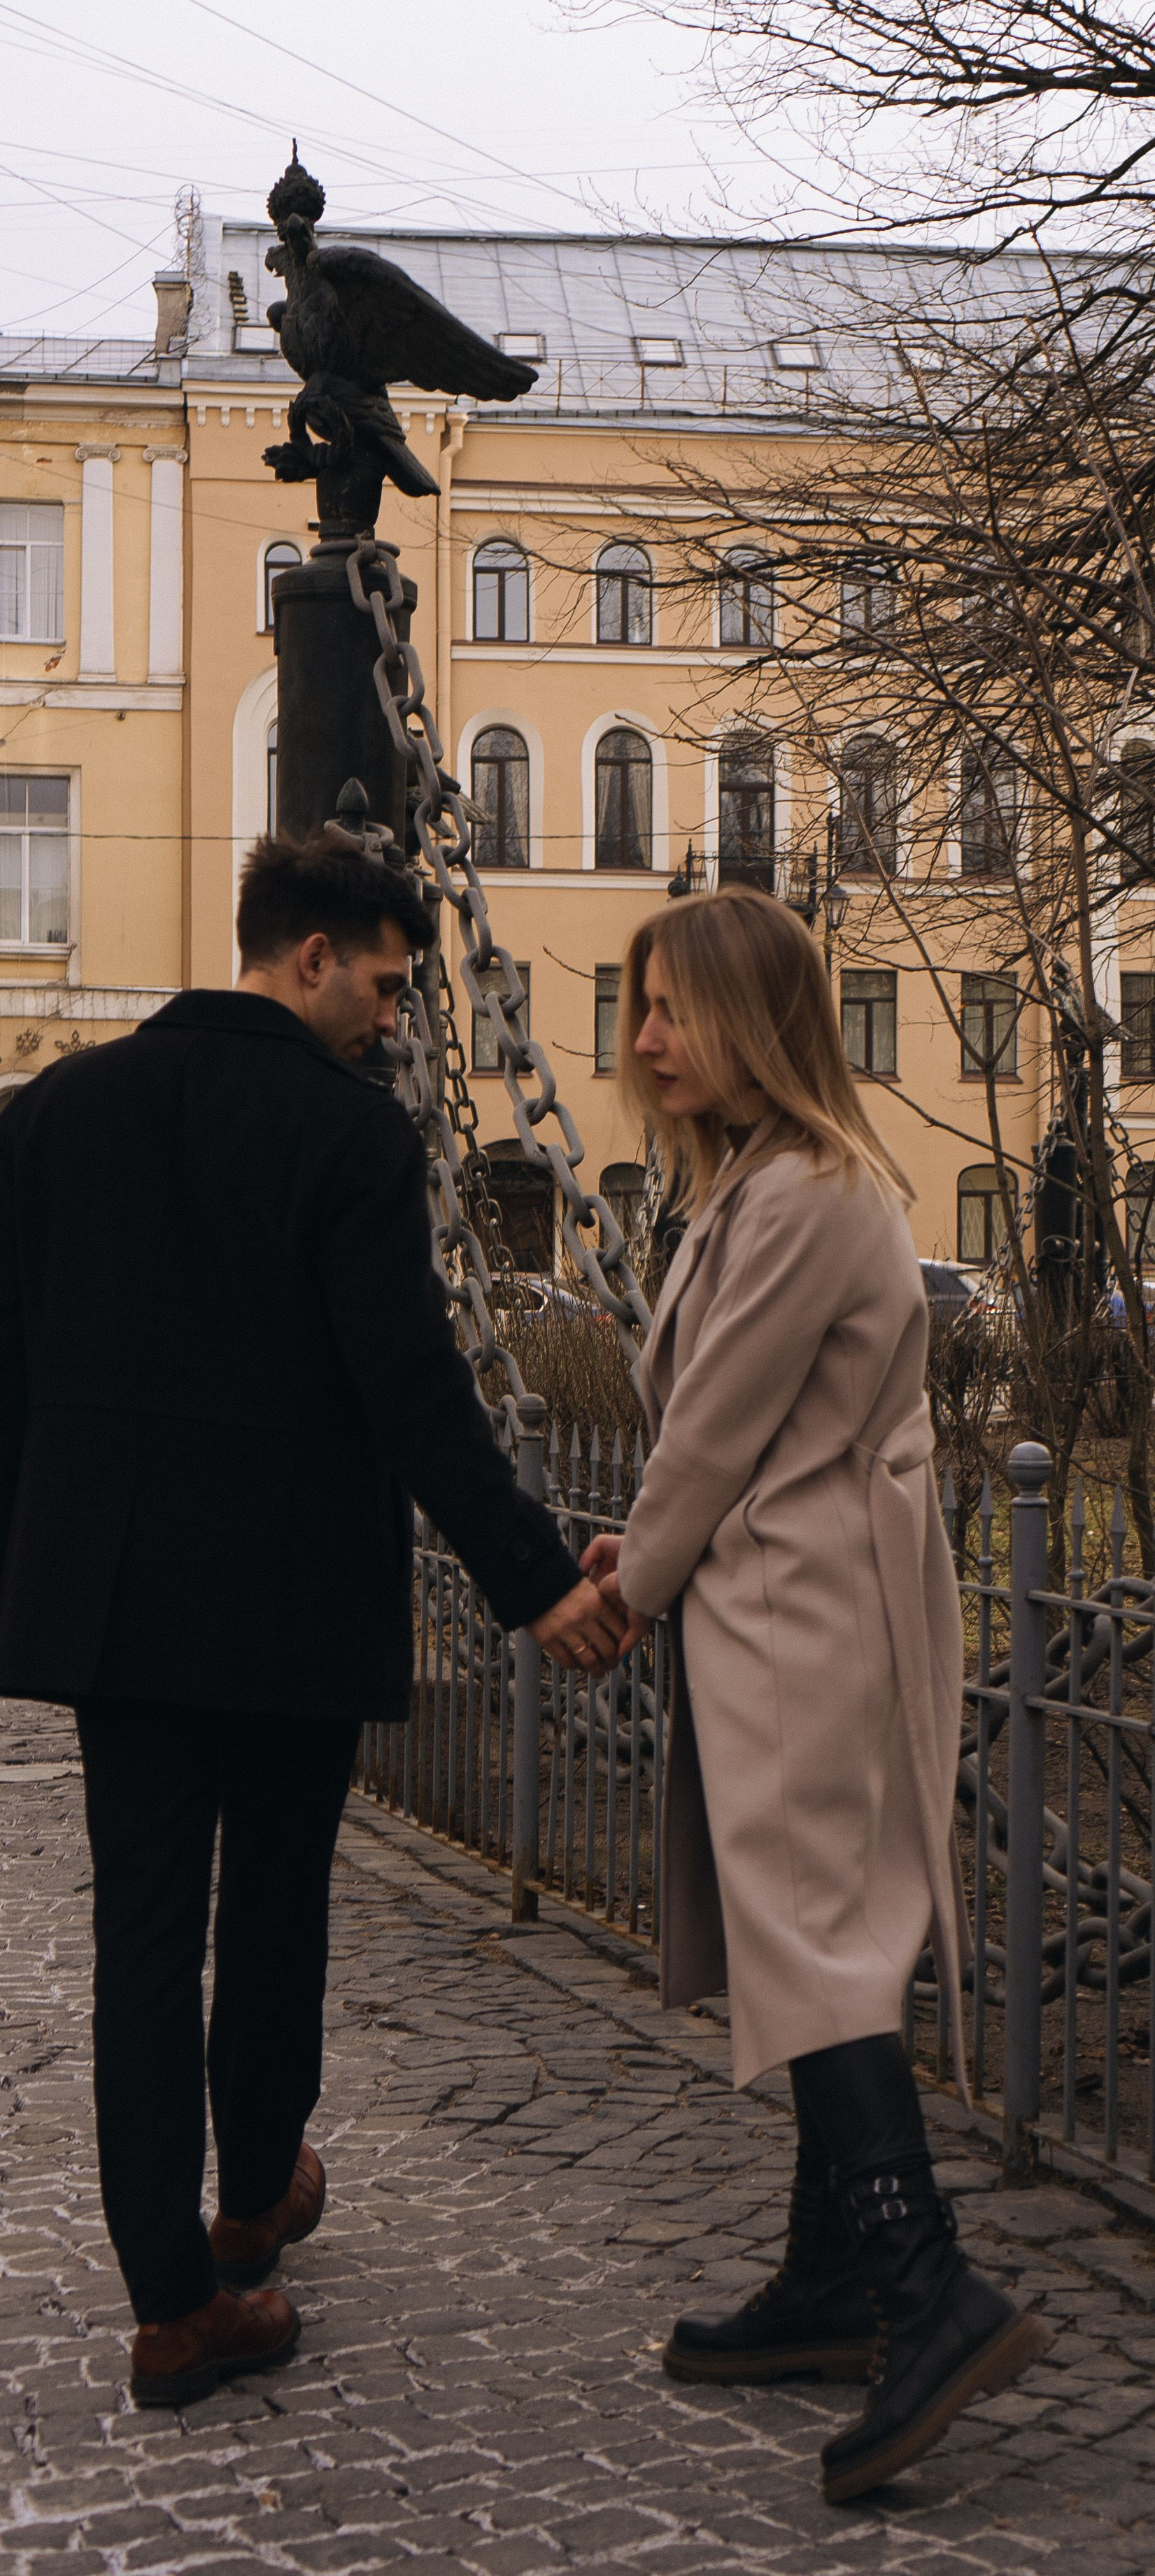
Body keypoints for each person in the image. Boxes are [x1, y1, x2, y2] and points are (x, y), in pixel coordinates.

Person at [0, 835, 618, 2409]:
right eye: (390, 987)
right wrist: (535, 1579)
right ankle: (249, 2208)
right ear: (313, 960)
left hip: (120, 1598)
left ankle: (167, 2304)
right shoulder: (345, 1141)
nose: (396, 1021)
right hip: (284, 1604)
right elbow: (412, 1393)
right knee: (272, 1913)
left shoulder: (57, 1112)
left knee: (140, 1935)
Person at [583, 886, 1050, 2504]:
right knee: (810, 1932)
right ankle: (830, 2281)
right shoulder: (759, 1187)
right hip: (782, 1589)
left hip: (801, 1609)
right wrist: (644, 1549)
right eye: (637, 1008)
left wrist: (621, 1591)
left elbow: (712, 1433)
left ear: (751, 1019)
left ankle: (927, 2291)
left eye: (671, 1009)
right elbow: (727, 1428)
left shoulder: (797, 1197)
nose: (643, 1039)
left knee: (819, 1940)